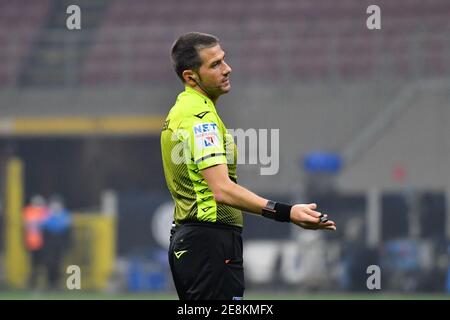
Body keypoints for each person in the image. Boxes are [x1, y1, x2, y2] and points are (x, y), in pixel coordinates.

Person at [160, 32, 336, 300]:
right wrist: (286, 213)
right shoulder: (199, 118)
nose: (227, 68)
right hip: (209, 242)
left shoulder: (187, 110)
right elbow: (222, 190)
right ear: (190, 76)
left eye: (224, 60)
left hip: (200, 241)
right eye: (215, 64)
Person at [42, 196, 72, 290]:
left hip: (60, 245)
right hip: (49, 246)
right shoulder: (46, 216)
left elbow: (68, 232)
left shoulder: (65, 216)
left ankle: (57, 284)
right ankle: (50, 283)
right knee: (49, 264)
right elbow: (44, 230)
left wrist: (68, 245)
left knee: (59, 264)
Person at [23, 194, 49, 290]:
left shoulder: (44, 211)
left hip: (43, 243)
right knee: (33, 264)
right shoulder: (29, 211)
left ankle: (42, 283)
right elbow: (28, 224)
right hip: (32, 243)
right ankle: (33, 283)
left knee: (42, 264)